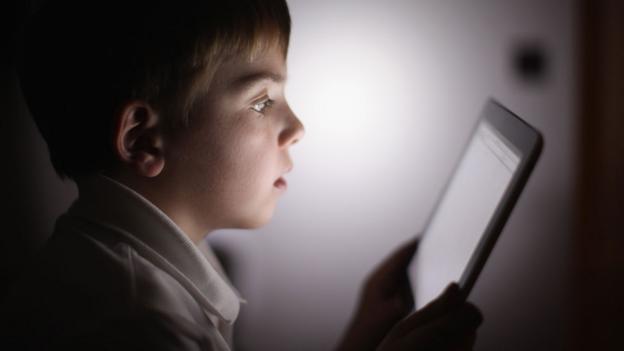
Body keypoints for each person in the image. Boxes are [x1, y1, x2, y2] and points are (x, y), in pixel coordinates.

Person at [1, 0, 482, 350]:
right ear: (143, 141)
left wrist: (359, 341)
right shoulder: (138, 326)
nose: (296, 128)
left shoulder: (118, 263)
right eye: (261, 102)